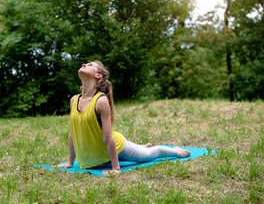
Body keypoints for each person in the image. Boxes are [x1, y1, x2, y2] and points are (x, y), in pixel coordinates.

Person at [57, 60, 191, 174]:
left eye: (90, 64)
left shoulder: (100, 101)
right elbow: (72, 133)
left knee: (149, 155)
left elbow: (108, 137)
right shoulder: (74, 100)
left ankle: (176, 152)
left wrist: (115, 168)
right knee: (136, 154)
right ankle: (139, 148)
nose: (84, 64)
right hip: (98, 157)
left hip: (117, 145)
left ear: (98, 75)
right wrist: (70, 162)